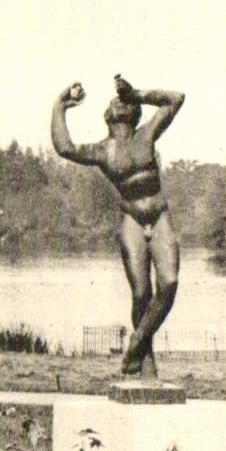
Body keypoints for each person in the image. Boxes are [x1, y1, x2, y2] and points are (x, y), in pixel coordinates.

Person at [52, 75, 185, 379]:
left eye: (127, 102)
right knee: (141, 294)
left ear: (135, 111)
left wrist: (137, 93)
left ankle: (137, 341)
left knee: (170, 283)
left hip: (159, 214)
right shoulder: (102, 151)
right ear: (108, 116)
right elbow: (64, 147)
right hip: (132, 221)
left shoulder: (147, 134)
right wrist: (60, 106)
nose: (121, 102)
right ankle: (147, 365)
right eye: (117, 101)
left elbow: (176, 97)